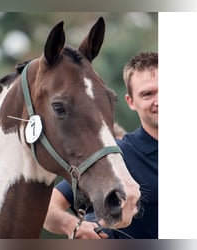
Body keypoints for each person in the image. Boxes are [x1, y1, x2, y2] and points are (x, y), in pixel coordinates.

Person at [43, 51, 158, 239]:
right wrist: (76, 227)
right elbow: (49, 208)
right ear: (131, 102)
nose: (159, 101)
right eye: (147, 94)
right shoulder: (119, 155)